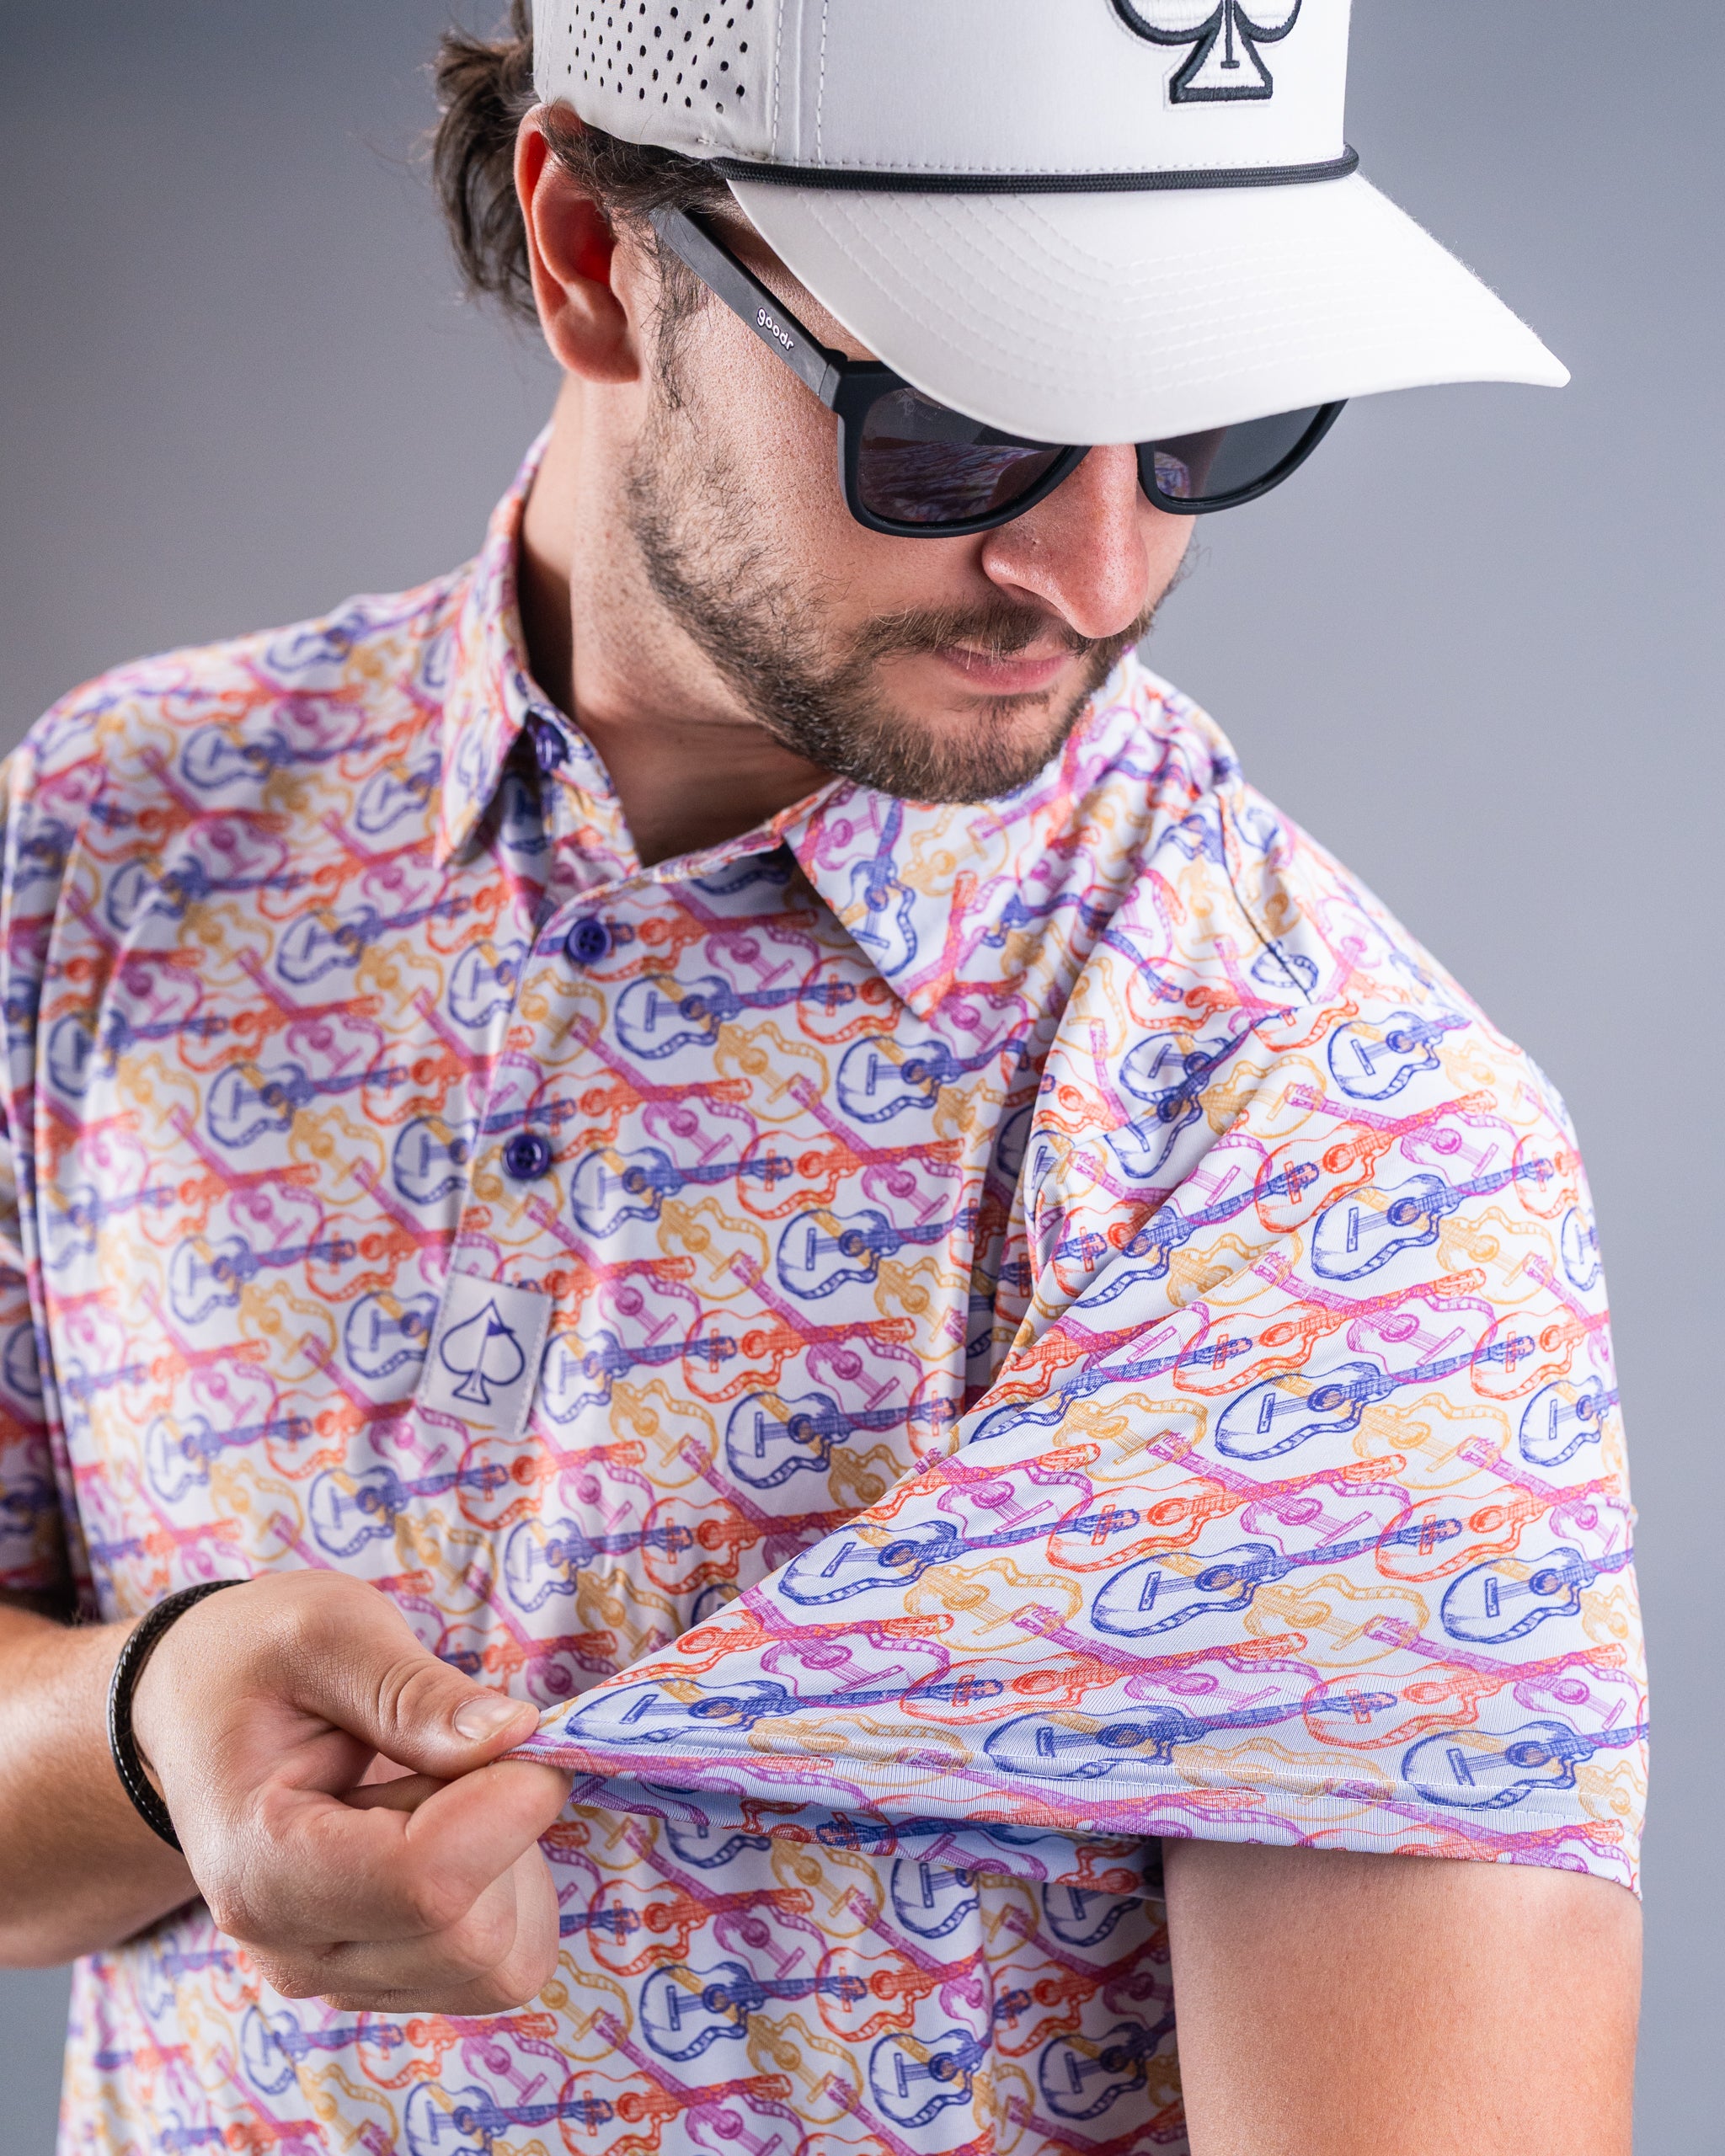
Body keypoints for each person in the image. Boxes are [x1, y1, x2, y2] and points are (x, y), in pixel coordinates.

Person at [0, 2, 1646, 2150]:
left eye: (1208, 428)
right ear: (595, 252)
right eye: (962, 428)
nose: (1103, 568)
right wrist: (145, 1718)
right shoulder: (127, 841)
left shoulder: (1332, 1151)